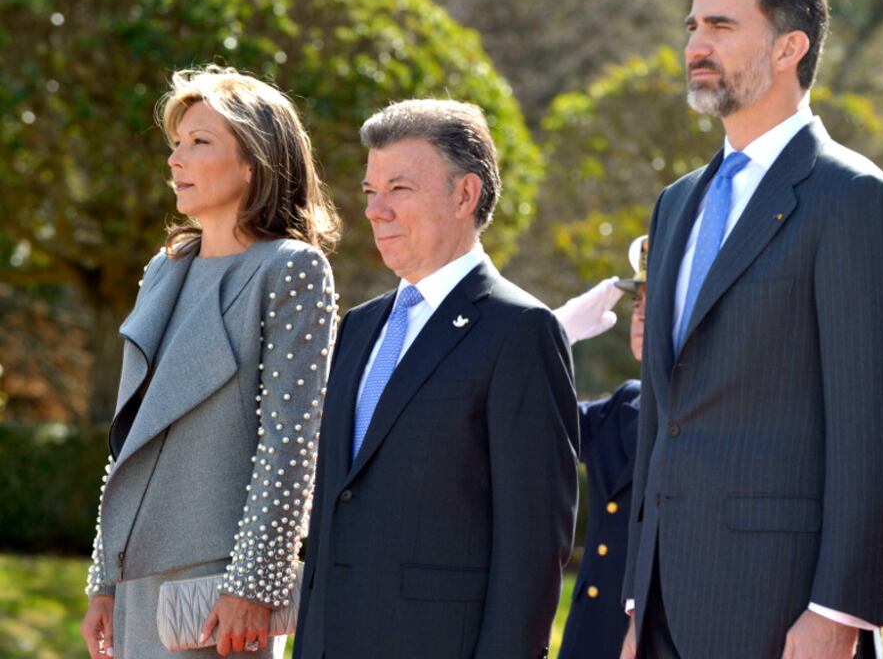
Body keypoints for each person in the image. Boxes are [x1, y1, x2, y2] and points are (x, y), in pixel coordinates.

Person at [621, 0, 883, 659]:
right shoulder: (676, 206)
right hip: (664, 604)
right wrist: (640, 597)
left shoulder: (852, 199)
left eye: (722, 26)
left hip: (784, 608)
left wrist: (839, 609)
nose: (696, 46)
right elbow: (662, 420)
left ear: (790, 47)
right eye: (694, 25)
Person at [293, 99, 578, 658]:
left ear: (464, 195)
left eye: (399, 189)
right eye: (371, 192)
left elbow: (533, 542)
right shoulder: (357, 327)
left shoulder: (521, 331)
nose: (376, 212)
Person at [79, 65, 341, 659]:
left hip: (217, 594)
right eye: (176, 144)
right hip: (134, 585)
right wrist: (104, 581)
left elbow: (291, 445)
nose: (176, 160)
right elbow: (128, 443)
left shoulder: (291, 270)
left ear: (255, 162)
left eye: (200, 143)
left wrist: (254, 585)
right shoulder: (164, 270)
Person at [556, 236, 649, 659]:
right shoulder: (623, 407)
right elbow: (522, 424)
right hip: (594, 637)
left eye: (658, 295)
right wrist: (551, 338)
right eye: (639, 298)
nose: (640, 310)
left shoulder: (724, 411)